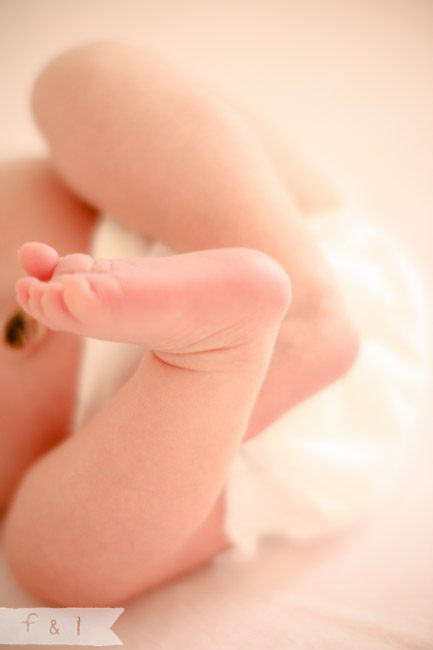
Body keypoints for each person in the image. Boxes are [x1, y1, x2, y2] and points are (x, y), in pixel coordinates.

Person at [0, 42, 423, 608]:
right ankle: (222, 351)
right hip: (195, 437)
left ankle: (298, 311)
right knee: (45, 565)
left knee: (78, 77)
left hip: (246, 225)